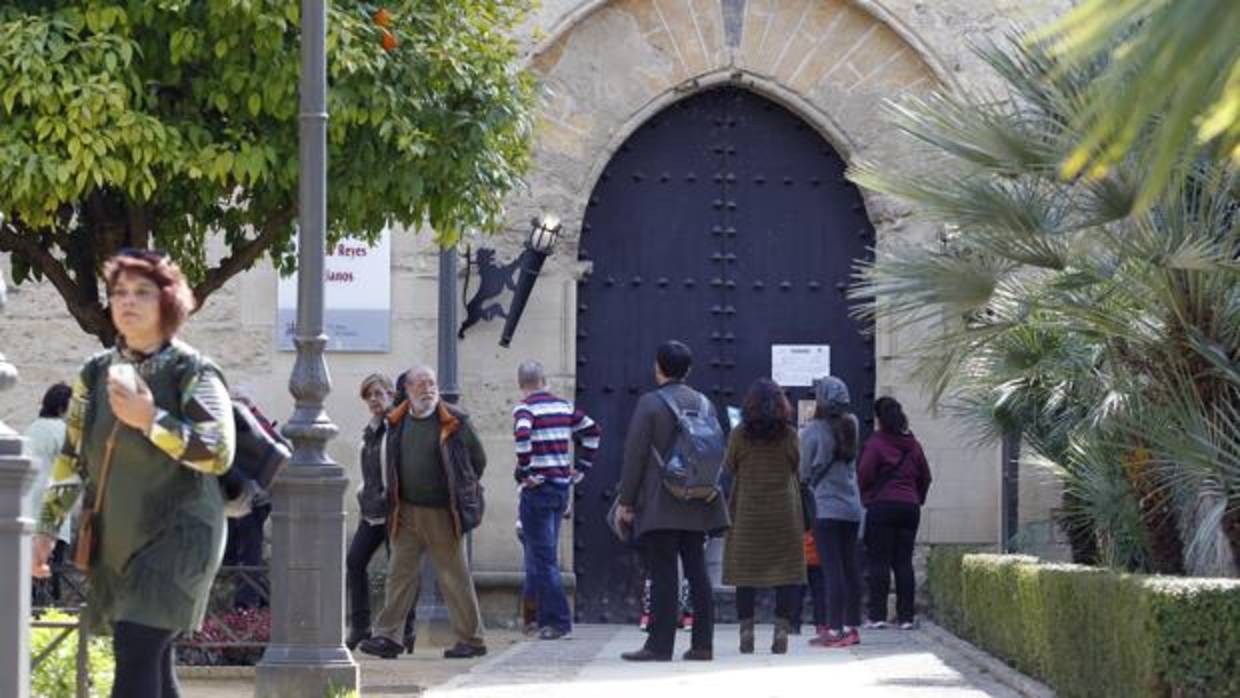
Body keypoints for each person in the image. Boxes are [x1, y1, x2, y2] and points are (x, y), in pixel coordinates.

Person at [32, 249, 236, 698]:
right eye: (119, 291)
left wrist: (151, 421)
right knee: (153, 662)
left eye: (142, 292)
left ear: (170, 301)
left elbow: (218, 451)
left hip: (182, 535)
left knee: (137, 647)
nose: (127, 301)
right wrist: (48, 527)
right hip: (119, 537)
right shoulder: (95, 371)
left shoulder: (192, 371)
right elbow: (72, 455)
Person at [358, 366, 489, 659]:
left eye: (431, 384)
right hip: (405, 511)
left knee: (454, 576)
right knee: (399, 575)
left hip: (443, 512)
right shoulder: (396, 420)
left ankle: (472, 639)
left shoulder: (455, 420)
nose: (428, 389)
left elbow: (478, 460)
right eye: (420, 384)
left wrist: (461, 490)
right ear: (407, 389)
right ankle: (388, 637)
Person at [615, 340, 729, 662]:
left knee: (664, 572)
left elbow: (635, 456)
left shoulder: (650, 404)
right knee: (698, 572)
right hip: (698, 498)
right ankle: (703, 644)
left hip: (661, 502)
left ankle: (659, 645)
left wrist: (626, 501)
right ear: (688, 370)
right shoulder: (705, 403)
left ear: (658, 367)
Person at [512, 360, 601, 640]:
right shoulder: (563, 407)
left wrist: (525, 470)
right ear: (544, 380)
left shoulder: (524, 408)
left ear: (521, 384)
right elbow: (592, 431)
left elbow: (523, 434)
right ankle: (538, 618)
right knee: (545, 555)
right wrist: (582, 469)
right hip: (561, 488)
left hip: (538, 489)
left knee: (544, 560)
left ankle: (558, 622)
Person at [722, 378, 805, 654]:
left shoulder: (739, 435)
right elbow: (797, 465)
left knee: (745, 573)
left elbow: (729, 467)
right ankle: (781, 632)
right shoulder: (790, 435)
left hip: (748, 512)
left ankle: (747, 633)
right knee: (785, 573)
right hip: (783, 513)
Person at [345, 373, 417, 651]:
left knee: (399, 572)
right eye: (368, 396)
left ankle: (405, 631)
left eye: (378, 394)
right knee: (354, 561)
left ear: (390, 394)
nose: (374, 400)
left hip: (396, 511)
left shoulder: (398, 427)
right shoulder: (371, 430)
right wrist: (363, 493)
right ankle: (360, 627)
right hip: (372, 511)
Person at [799, 375, 863, 648]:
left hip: (826, 508)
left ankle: (834, 629)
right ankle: (851, 627)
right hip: (852, 508)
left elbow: (803, 472)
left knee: (831, 570)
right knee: (850, 568)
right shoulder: (853, 424)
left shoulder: (812, 431)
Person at [858, 396, 932, 630]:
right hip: (909, 508)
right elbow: (926, 477)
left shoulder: (876, 443)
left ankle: (878, 615)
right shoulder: (914, 444)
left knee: (879, 562)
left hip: (883, 506)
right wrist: (916, 498)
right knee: (904, 562)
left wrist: (868, 497)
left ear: (879, 419)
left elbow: (864, 474)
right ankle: (906, 617)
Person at [25, 382, 73, 606]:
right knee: (53, 568)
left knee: (27, 570)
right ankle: (51, 612)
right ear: (63, 407)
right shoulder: (63, 431)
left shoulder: (32, 428)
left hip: (28, 505)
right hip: (54, 505)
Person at [790, 529, 827, 636]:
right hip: (818, 557)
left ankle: (794, 625)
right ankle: (821, 624)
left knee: (796, 593)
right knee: (819, 593)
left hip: (799, 557)